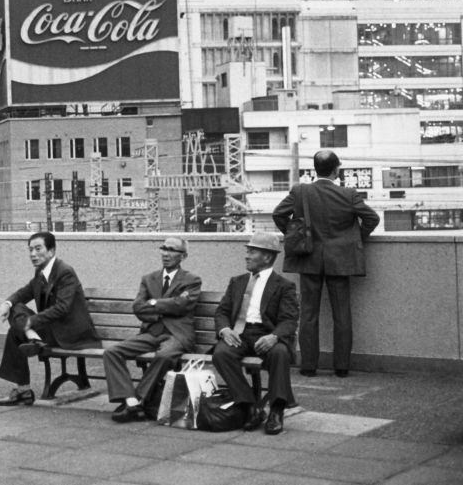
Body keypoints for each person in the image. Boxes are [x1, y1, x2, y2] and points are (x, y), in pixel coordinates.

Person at [272, 149, 379, 378]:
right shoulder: (349, 194)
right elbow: (372, 218)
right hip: (340, 260)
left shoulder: (300, 191)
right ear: (336, 169)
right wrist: (356, 238)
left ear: (314, 169)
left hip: (308, 257)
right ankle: (341, 367)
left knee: (308, 314)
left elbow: (279, 214)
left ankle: (309, 366)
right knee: (342, 314)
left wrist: (295, 236)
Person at [0, 231, 99, 406]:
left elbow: (62, 308)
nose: (33, 254)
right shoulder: (41, 272)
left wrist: (30, 322)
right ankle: (25, 384)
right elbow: (24, 292)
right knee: (16, 310)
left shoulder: (65, 273)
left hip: (70, 334)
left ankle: (24, 386)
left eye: (38, 248)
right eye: (30, 249)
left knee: (16, 329)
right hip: (52, 330)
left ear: (51, 251)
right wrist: (6, 305)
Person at [103, 236, 202, 423]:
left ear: (183, 256)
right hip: (151, 333)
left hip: (177, 335)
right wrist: (164, 310)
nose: (166, 253)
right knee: (112, 352)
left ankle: (139, 400)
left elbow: (182, 304)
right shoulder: (149, 279)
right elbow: (138, 307)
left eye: (172, 250)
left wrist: (154, 302)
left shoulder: (192, 280)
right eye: (163, 248)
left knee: (164, 356)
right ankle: (131, 402)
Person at [212, 232, 299, 436]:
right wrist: (225, 329)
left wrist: (274, 336)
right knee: (221, 354)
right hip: (239, 334)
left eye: (252, 252)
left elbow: (289, 320)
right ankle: (250, 406)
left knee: (280, 353)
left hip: (266, 334)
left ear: (267, 257)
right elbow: (222, 312)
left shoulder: (284, 286)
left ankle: (276, 411)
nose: (247, 256)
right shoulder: (237, 281)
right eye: (248, 251)